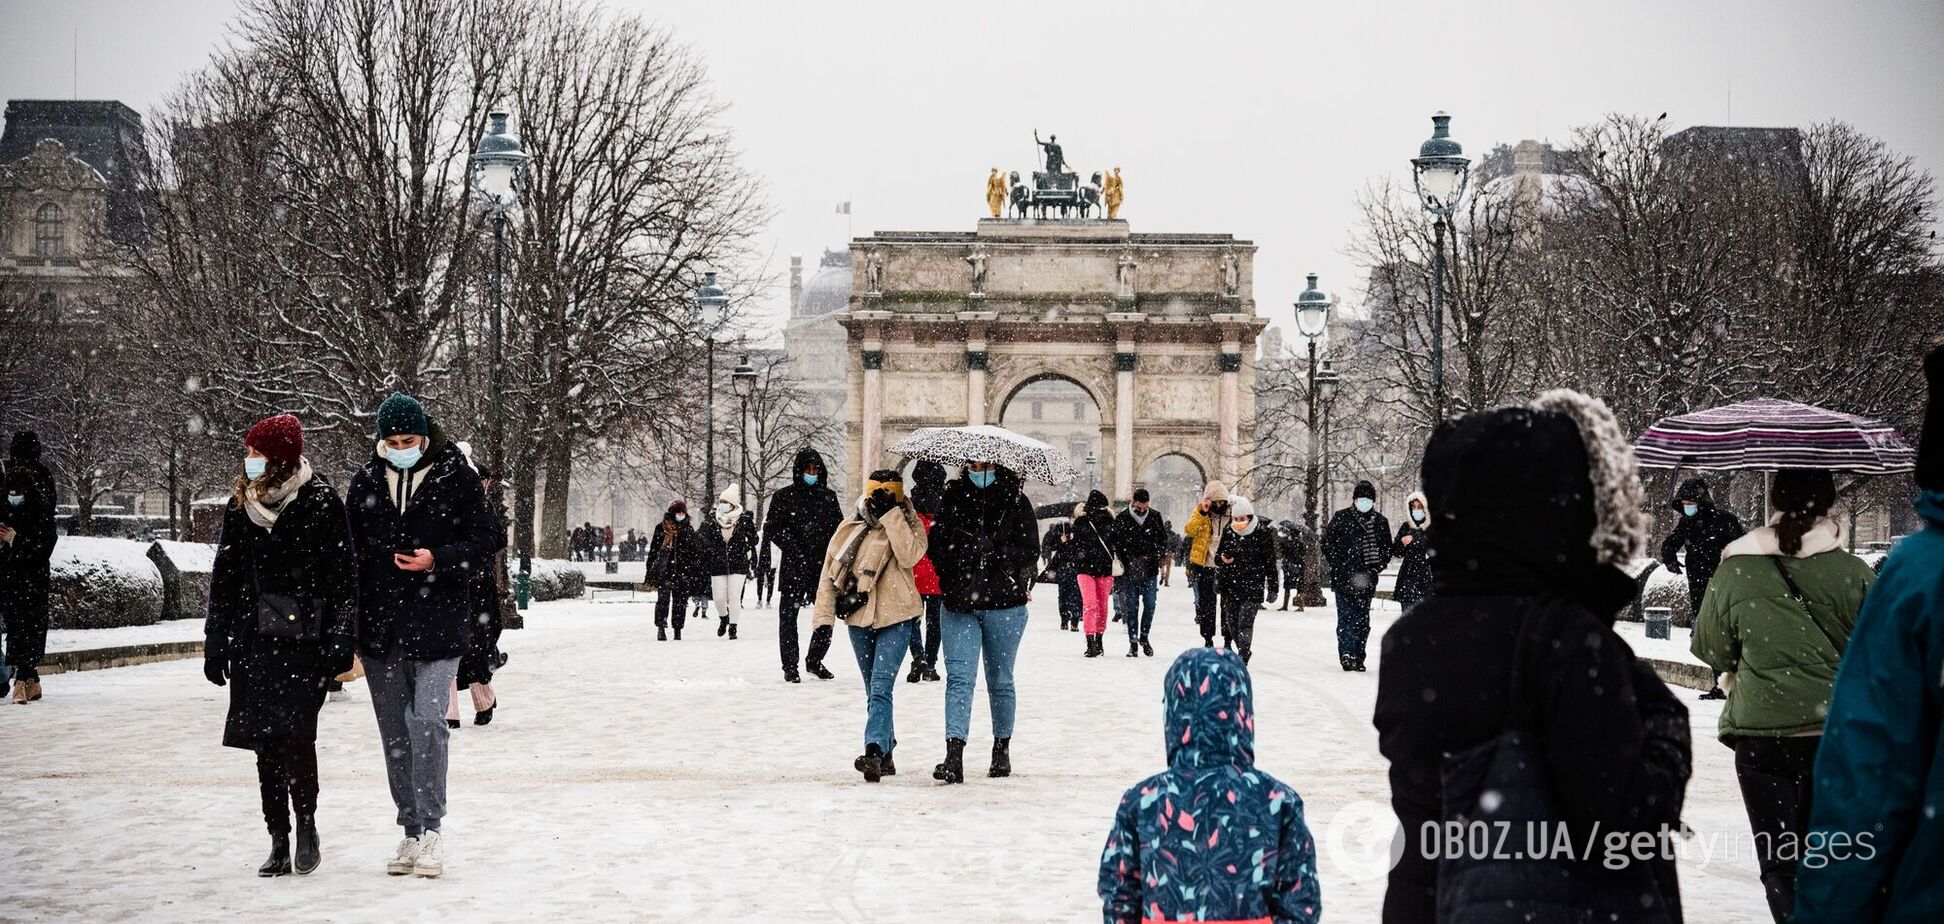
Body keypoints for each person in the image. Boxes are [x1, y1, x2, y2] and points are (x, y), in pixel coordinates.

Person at [1374, 390, 1691, 924]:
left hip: (1432, 901)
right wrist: (1663, 721)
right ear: (1555, 507)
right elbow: (1621, 826)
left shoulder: (1410, 639)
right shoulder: (1566, 638)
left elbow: (1423, 814)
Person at [1794, 345, 1944, 924]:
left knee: (1776, 853)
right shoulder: (1863, 572)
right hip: (1814, 707)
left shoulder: (1919, 577)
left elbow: (1868, 785)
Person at [1690, 468, 1872, 922]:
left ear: (1775, 499)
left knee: (1779, 862)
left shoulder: (1737, 567)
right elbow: (1878, 655)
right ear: (1829, 504)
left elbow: (1710, 646)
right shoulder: (1855, 574)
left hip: (1761, 738)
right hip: (1833, 736)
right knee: (1830, 857)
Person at [344, 392, 497, 880]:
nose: (399, 447)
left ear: (425, 437)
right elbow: (350, 554)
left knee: (428, 721)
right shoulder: (366, 480)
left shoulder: (456, 476)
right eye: (390, 441)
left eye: (408, 440)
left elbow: (488, 538)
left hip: (439, 622)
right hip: (382, 628)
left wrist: (439, 559)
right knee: (395, 732)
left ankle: (432, 829)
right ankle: (409, 829)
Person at [202, 414, 356, 877]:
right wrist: (216, 638)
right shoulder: (239, 506)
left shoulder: (321, 501)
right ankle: (278, 835)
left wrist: (340, 641)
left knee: (296, 737)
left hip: (302, 642)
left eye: (255, 453)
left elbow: (342, 578)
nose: (247, 460)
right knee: (264, 744)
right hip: (253, 641)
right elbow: (224, 576)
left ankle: (306, 824)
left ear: (278, 457)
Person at [1099, 648, 1322, 923]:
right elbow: (1300, 900)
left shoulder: (1143, 801)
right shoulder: (1276, 801)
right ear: (1242, 711)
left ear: (1173, 713)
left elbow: (1119, 894)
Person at [928, 459, 1039, 784]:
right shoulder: (952, 496)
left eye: (985, 464)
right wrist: (962, 556)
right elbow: (936, 547)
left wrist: (999, 551)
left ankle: (1001, 747)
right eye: (974, 464)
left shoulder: (1016, 500)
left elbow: (1030, 550)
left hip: (1004, 602)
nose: (979, 469)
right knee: (959, 679)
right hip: (961, 600)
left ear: (998, 464)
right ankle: (954, 753)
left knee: (1000, 679)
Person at [813, 469, 928, 781]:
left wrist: (892, 515)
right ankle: (887, 749)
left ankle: (873, 752)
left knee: (880, 688)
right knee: (873, 690)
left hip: (898, 616)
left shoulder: (910, 525)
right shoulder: (850, 528)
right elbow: (828, 576)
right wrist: (822, 625)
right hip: (859, 618)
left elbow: (909, 555)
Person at [1660, 477, 1746, 700]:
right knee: (1706, 635)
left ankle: (1732, 683)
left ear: (1701, 500)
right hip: (1698, 588)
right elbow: (1671, 542)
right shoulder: (1687, 523)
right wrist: (1669, 557)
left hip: (1723, 586)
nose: (1687, 506)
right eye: (1685, 502)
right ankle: (1720, 682)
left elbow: (1742, 546)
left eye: (1691, 502)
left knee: (1724, 634)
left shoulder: (1723, 520)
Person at [763, 448, 843, 683]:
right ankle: (790, 665)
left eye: (815, 469)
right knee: (788, 618)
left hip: (821, 568)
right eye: (808, 469)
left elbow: (839, 530)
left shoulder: (828, 497)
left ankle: (815, 659)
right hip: (794, 566)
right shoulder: (784, 497)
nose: (812, 473)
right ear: (799, 470)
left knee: (826, 616)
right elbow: (773, 528)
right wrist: (794, 549)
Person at [448, 443, 507, 728]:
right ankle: (478, 703)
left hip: (458, 583)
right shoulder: (478, 505)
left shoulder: (454, 503)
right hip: (468, 584)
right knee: (469, 648)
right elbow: (496, 539)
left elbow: (496, 539)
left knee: (458, 649)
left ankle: (454, 711)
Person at [1, 431, 57, 704]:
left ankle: (24, 678)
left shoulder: (15, 476)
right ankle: (28, 676)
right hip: (29, 571)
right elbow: (46, 534)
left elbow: (44, 535)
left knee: (20, 623)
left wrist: (15, 540)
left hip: (19, 569)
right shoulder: (43, 479)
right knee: (29, 623)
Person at [1323, 481, 1391, 671]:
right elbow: (1327, 544)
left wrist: (1376, 567)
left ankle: (1359, 656)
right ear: (1354, 500)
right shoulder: (1341, 518)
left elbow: (1386, 549)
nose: (1364, 502)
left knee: (1362, 621)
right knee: (1345, 619)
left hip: (1367, 580)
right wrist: (1339, 564)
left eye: (1368, 499)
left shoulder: (1380, 522)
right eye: (1361, 499)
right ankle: (1346, 654)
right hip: (1344, 579)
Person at [1212, 495, 1278, 663]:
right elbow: (1218, 556)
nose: (1238, 522)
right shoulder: (1229, 531)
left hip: (1252, 584)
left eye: (1241, 519)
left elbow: (1270, 562)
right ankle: (1242, 647)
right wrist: (1223, 559)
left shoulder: (1262, 533)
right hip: (1231, 585)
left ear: (1249, 517)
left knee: (1245, 622)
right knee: (1232, 622)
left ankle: (1243, 652)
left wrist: (1273, 587)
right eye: (1235, 519)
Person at [1111, 487, 1169, 657]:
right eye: (1139, 507)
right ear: (1133, 503)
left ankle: (1144, 636)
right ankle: (1133, 642)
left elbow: (1162, 540)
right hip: (1130, 570)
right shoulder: (1122, 518)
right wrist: (1129, 557)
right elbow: (1117, 543)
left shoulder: (1155, 516)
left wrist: (1155, 555)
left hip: (1149, 569)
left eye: (1145, 507)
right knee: (1132, 608)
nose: (1143, 510)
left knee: (1150, 604)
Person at [905, 461, 947, 683]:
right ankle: (930, 663)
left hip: (914, 570)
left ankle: (918, 656)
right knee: (934, 622)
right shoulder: (946, 503)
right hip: (937, 572)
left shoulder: (910, 504)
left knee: (912, 620)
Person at [699, 485, 758, 640]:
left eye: (726, 501)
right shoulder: (713, 520)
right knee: (718, 598)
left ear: (733, 504)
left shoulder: (744, 520)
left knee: (734, 596)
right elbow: (704, 539)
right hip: (717, 563)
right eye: (721, 501)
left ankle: (733, 627)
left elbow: (754, 539)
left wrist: (745, 546)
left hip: (738, 563)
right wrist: (710, 550)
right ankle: (724, 617)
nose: (722, 504)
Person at [1069, 490, 1120, 658]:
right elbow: (1075, 546)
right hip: (1085, 570)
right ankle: (1090, 640)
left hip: (1105, 570)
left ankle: (1099, 638)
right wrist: (1078, 554)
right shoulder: (1081, 522)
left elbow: (1116, 544)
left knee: (1103, 605)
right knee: (1090, 605)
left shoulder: (1110, 521)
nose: (1102, 510)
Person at [1182, 481, 1232, 648]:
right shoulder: (1202, 514)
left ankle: (1228, 638)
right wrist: (1202, 512)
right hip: (1205, 565)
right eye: (1215, 502)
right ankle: (1208, 637)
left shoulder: (1232, 515)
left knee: (1228, 605)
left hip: (1226, 567)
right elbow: (1189, 530)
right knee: (1206, 605)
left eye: (1221, 502)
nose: (1218, 505)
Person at [647, 501, 703, 642]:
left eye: (682, 513)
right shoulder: (661, 528)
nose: (680, 515)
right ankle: (661, 627)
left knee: (680, 601)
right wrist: (650, 569)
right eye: (678, 513)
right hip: (665, 569)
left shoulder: (688, 530)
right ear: (672, 514)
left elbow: (694, 553)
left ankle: (677, 629)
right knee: (663, 600)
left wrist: (693, 569)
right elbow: (654, 550)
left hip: (682, 571)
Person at [1389, 492, 1433, 612]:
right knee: (1407, 612)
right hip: (1407, 575)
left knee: (1425, 615)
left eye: (1419, 507)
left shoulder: (1430, 528)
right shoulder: (1405, 527)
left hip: (1426, 576)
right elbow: (1396, 552)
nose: (1416, 510)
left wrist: (1416, 538)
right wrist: (1402, 543)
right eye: (1413, 507)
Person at [1043, 511, 1083, 633]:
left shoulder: (1081, 529)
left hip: (1077, 566)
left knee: (1077, 595)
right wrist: (1061, 540)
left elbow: (1084, 546)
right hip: (1063, 566)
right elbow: (1051, 546)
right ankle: (1064, 619)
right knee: (1064, 594)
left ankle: (1075, 620)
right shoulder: (1061, 528)